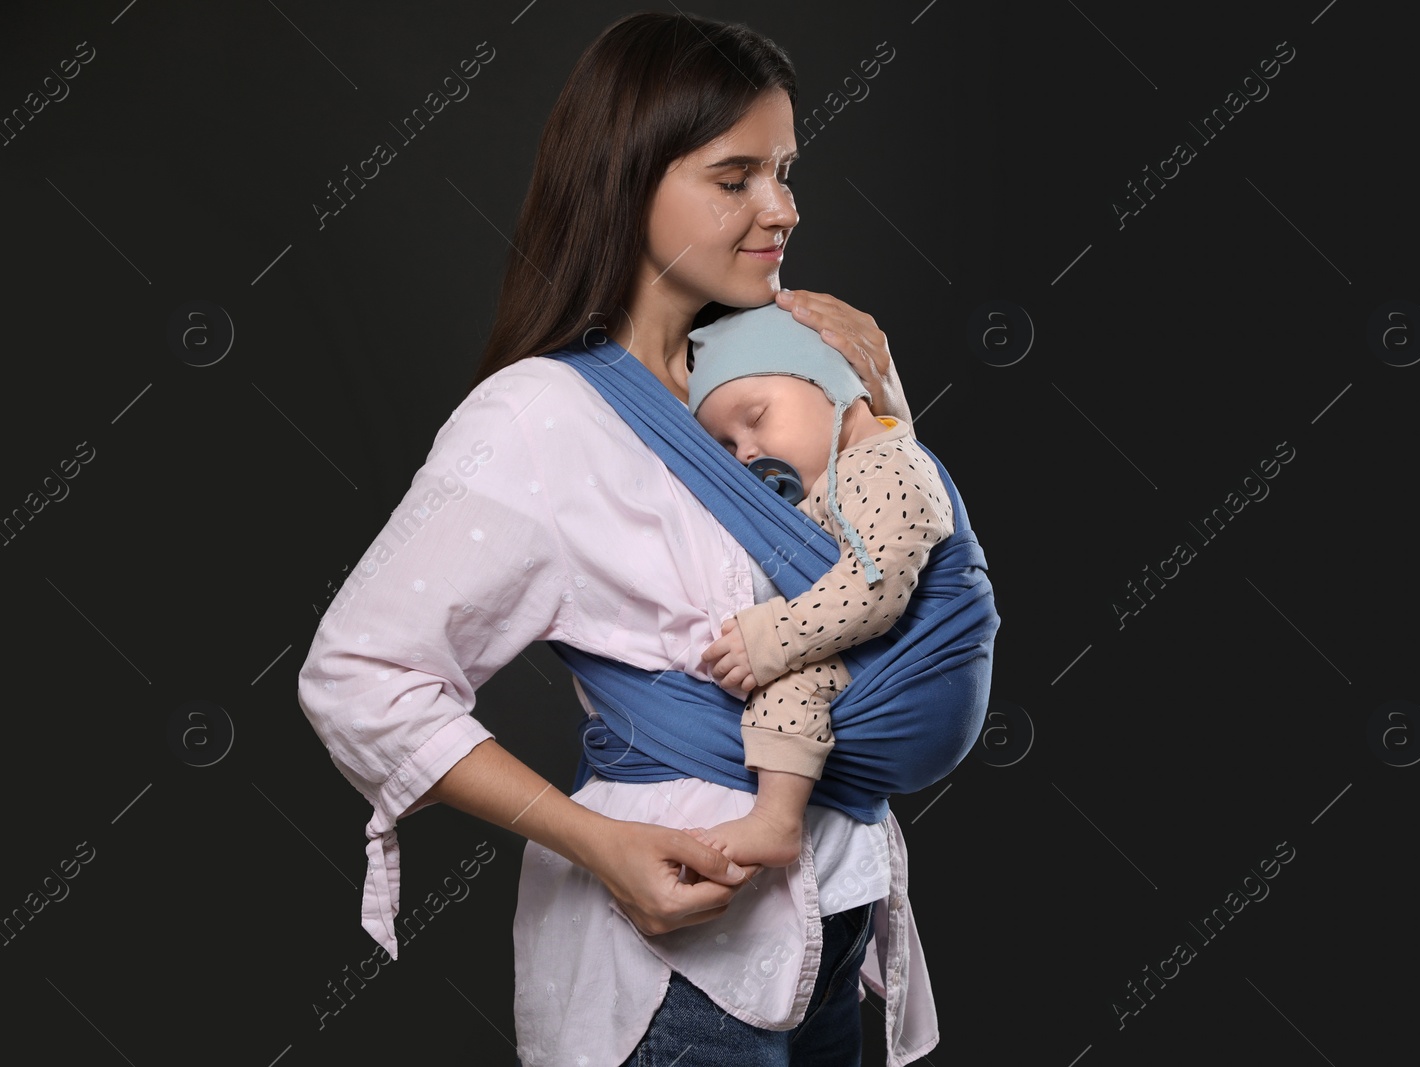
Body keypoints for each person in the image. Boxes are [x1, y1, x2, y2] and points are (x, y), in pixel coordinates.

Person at [296, 11, 996, 1066]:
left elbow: (889, 564)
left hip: (835, 918)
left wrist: (880, 399)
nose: (782, 208)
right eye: (735, 177)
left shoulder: (779, 366)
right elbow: (360, 673)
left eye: (786, 169)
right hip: (677, 952)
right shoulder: (538, 418)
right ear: (627, 185)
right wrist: (598, 845)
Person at [685, 303, 954, 870]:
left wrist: (773, 639)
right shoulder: (835, 474)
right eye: (728, 446)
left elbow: (874, 588)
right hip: (862, 668)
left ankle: (776, 822)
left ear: (835, 387)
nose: (747, 453)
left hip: (883, 668)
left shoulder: (885, 468)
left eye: (755, 419)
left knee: (788, 685)